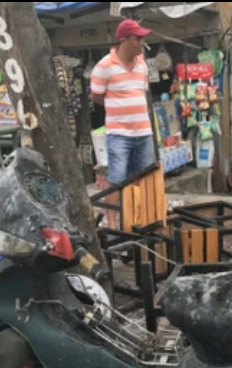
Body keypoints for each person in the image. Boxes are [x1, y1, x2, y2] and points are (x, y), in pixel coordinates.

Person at [90, 19, 156, 228]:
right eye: (138, 38)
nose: (141, 43)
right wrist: (118, 107)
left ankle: (141, 221)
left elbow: (141, 94)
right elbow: (97, 97)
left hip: (143, 132)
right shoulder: (104, 66)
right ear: (124, 40)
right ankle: (111, 224)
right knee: (115, 180)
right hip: (119, 133)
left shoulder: (142, 64)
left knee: (145, 179)